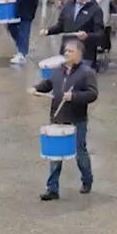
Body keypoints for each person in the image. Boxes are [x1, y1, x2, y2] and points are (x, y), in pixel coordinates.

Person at [34, 41, 98, 200]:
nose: (67, 53)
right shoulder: (58, 70)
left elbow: (92, 94)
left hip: (77, 118)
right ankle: (52, 189)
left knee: (80, 152)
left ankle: (87, 180)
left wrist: (74, 96)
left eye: (70, 51)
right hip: (58, 116)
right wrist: (36, 88)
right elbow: (48, 84)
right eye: (66, 51)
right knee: (55, 156)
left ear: (79, 53)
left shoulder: (86, 72)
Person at [42, 0, 104, 68]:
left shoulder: (95, 9)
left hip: (85, 55)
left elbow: (100, 34)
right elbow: (61, 25)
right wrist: (48, 31)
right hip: (66, 52)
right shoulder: (68, 5)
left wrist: (87, 36)